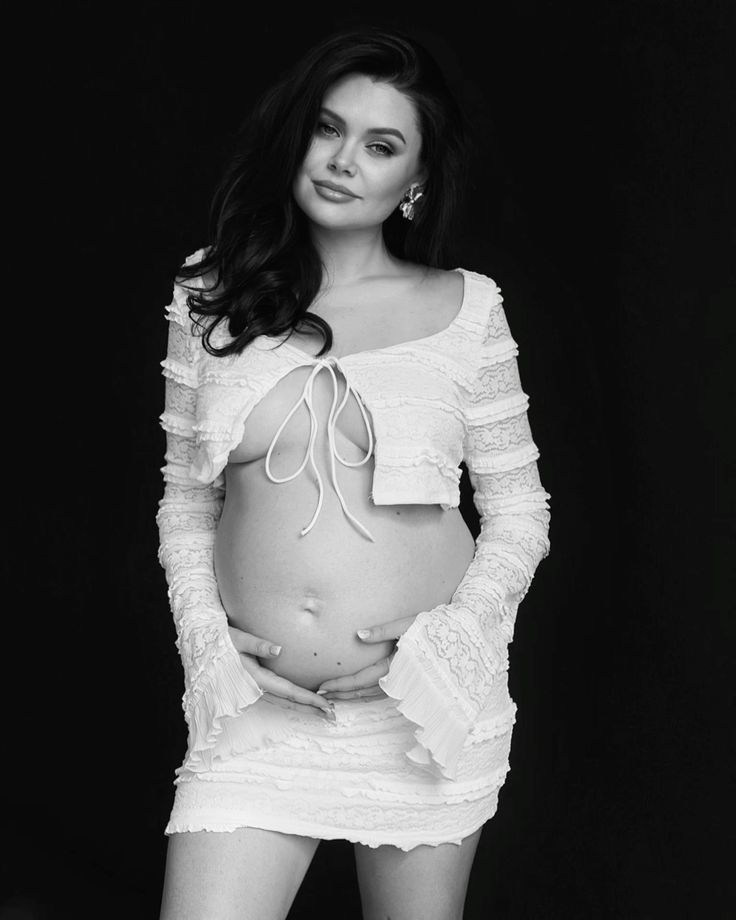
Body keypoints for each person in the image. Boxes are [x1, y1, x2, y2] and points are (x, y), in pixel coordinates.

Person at [156, 25, 551, 920]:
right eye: (328, 129)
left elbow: (521, 510)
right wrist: (208, 646)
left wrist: (452, 640)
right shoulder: (210, 294)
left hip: (421, 711)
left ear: (415, 179)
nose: (342, 161)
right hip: (254, 712)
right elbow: (185, 502)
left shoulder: (466, 308)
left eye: (380, 145)